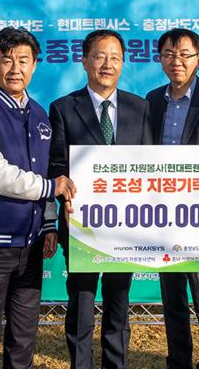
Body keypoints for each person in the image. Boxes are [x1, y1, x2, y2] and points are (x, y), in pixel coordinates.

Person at [0, 26, 75, 369]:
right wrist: (50, 188)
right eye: (7, 60)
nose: (15, 68)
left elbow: (47, 170)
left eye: (23, 60)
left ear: (35, 65)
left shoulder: (39, 114)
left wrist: (48, 224)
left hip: (31, 243)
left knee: (24, 334)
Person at [48, 29, 152, 369]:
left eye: (115, 58)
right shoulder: (63, 108)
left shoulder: (140, 107)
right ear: (84, 61)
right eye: (100, 56)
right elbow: (57, 165)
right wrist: (64, 197)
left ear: (123, 63)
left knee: (119, 302)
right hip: (82, 223)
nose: (107, 64)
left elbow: (150, 163)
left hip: (126, 226)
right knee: (81, 301)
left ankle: (115, 364)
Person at [145, 28, 199, 369]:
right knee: (173, 298)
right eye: (169, 55)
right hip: (163, 217)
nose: (176, 61)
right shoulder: (152, 100)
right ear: (160, 60)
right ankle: (178, 361)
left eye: (184, 54)